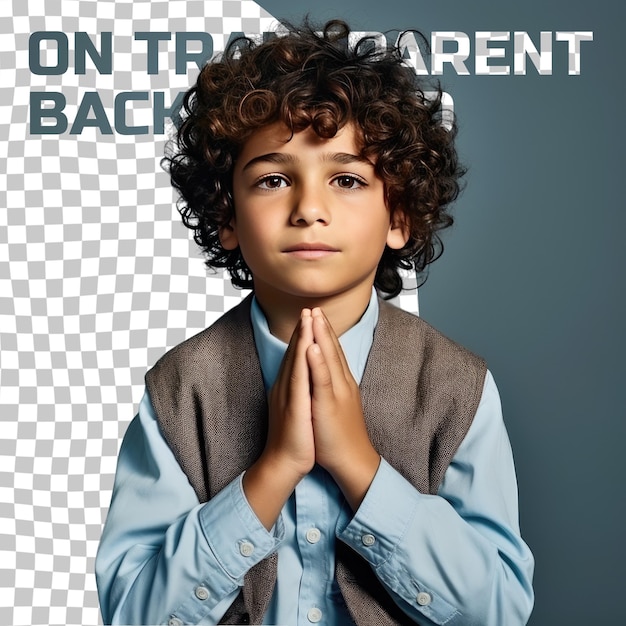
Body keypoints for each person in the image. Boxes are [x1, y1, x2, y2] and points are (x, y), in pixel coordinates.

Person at [96, 20, 534, 626]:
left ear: (398, 216)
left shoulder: (456, 388)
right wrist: (271, 473)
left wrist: (361, 467)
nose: (308, 209)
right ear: (226, 215)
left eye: (347, 179)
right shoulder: (178, 391)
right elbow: (134, 615)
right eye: (273, 179)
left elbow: (499, 611)